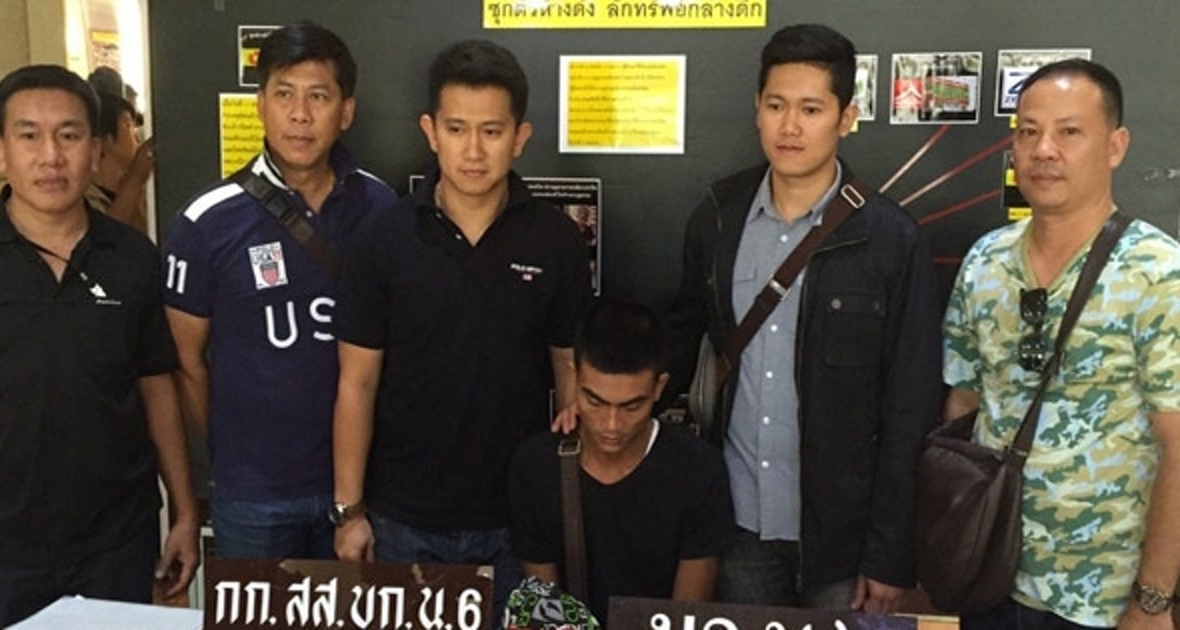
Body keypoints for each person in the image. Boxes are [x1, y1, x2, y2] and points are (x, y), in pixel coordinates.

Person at [663, 24, 940, 611]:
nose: (790, 126)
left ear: (846, 118)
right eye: (776, 105)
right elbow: (683, 337)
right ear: (757, 109)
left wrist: (890, 552)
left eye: (811, 109)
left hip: (845, 539)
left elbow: (910, 406)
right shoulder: (717, 217)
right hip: (738, 523)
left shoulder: (891, 239)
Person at [331, 38, 591, 611]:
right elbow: (357, 382)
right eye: (456, 129)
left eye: (491, 131)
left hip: (518, 521)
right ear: (430, 131)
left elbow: (569, 366)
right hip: (402, 519)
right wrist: (349, 512)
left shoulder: (555, 240)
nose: (473, 150)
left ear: (519, 137)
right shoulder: (383, 238)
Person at [943, 59, 1180, 630]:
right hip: (988, 581)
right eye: (1028, 132)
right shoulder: (985, 262)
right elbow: (963, 407)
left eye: (1069, 132)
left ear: (1115, 146)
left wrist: (1153, 600)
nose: (1044, 150)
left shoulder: (1158, 273)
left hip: (1104, 601)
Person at [162, 22, 397, 560]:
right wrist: (237, 451)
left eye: (319, 97)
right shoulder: (206, 222)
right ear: (260, 106)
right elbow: (187, 361)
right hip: (254, 495)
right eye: (284, 95)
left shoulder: (381, 209)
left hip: (365, 489)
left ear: (346, 112)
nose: (300, 115)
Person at [0, 64, 198, 628]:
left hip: (115, 540)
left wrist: (184, 510)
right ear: (2, 151)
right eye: (30, 136)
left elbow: (156, 388)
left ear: (96, 152)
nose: (51, 156)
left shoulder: (133, 257)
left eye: (69, 136)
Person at [508, 299, 735, 624]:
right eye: (595, 402)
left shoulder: (698, 470)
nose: (611, 425)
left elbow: (686, 615)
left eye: (631, 407)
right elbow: (544, 610)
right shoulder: (536, 468)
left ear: (659, 387)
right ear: (574, 376)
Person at [86, 88, 153, 234]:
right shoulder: (83, 198)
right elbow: (106, 237)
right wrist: (136, 177)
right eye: (128, 125)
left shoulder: (147, 191)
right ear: (105, 139)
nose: (137, 137)